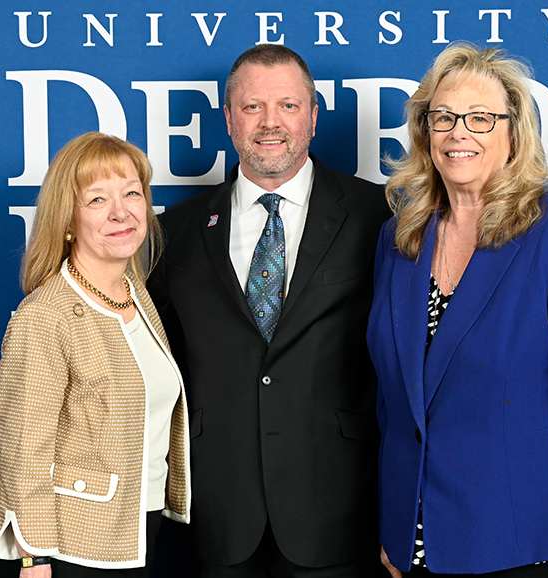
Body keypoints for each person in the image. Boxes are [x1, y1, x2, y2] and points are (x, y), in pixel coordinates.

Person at [367, 43, 548, 578]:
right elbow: (392, 402)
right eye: (442, 117)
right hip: (412, 547)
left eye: (480, 118)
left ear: (514, 134)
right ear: (425, 133)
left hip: (517, 547)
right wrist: (393, 526)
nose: (458, 132)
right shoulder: (400, 239)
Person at [148, 44, 390, 577]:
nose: (270, 123)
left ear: (314, 115)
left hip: (337, 510)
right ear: (229, 118)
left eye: (288, 105)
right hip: (218, 513)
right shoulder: (177, 231)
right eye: (253, 107)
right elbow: (149, 359)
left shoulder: (379, 217)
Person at [0, 132, 190, 577]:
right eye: (97, 200)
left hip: (135, 531)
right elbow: (24, 452)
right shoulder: (45, 316)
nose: (121, 211)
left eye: (132, 193)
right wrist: (33, 558)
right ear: (68, 219)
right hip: (66, 547)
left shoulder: (136, 294)